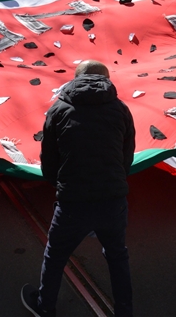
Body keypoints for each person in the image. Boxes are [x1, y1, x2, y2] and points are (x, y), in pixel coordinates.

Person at [21, 60, 135, 317]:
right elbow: (126, 156)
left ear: (75, 80)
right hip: (113, 199)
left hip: (73, 201)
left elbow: (49, 160)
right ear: (106, 80)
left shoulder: (59, 109)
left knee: (56, 255)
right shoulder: (121, 109)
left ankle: (45, 306)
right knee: (117, 256)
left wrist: (60, 185)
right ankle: (124, 312)